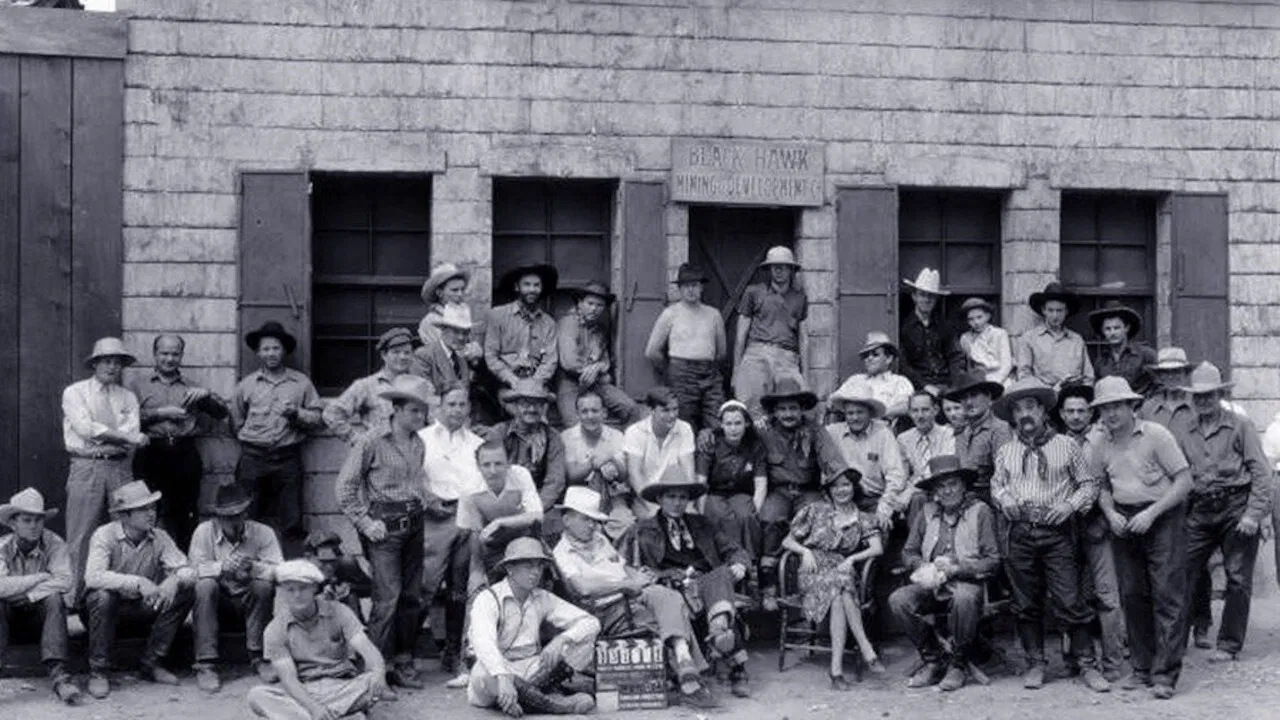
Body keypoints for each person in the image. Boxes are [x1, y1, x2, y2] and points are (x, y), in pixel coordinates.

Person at [989, 377, 1108, 692]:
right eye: (1018, 409)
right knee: (1026, 603)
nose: (1025, 414)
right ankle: (1035, 664)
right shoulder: (1006, 452)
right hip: (1020, 533)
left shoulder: (1066, 446)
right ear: (1013, 416)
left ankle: (1086, 664)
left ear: (1043, 411)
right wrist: (1005, 499)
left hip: (1057, 533)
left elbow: (1089, 484)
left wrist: (1069, 505)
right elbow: (996, 485)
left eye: (1031, 407)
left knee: (1069, 599)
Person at [552, 487, 718, 709]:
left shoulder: (600, 540)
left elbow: (622, 567)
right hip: (605, 608)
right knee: (660, 616)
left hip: (631, 596)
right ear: (567, 519)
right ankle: (687, 675)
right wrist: (626, 584)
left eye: (594, 520)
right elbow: (582, 589)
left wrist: (639, 576)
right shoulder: (561, 553)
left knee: (669, 596)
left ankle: (684, 661)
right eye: (586, 520)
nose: (592, 525)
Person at [1086, 377, 1193, 700]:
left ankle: (1165, 674)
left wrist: (1152, 513)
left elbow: (1184, 481)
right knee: (1133, 596)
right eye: (1105, 408)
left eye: (1118, 406)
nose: (1112, 413)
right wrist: (1110, 514)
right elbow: (1100, 485)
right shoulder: (1099, 443)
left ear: (1132, 406)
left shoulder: (1156, 435)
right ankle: (1142, 668)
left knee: (1167, 594)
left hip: (1162, 518)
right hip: (1124, 519)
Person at [335, 374, 434, 691]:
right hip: (384, 528)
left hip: (414, 525)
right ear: (398, 409)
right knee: (386, 599)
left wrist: (427, 502)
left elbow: (414, 485)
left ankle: (403, 663)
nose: (421, 417)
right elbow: (345, 489)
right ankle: (375, 670)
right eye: (415, 411)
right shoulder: (371, 441)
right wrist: (366, 522)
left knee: (410, 597)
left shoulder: (419, 443)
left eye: (423, 411)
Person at [630, 466, 754, 698]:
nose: (678, 503)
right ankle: (736, 665)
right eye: (671, 497)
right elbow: (635, 568)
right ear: (659, 499)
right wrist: (668, 576)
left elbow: (734, 550)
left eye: (683, 498)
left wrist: (739, 563)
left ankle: (719, 632)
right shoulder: (643, 529)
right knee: (713, 588)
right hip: (672, 584)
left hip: (708, 581)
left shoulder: (702, 523)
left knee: (720, 574)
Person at [1178, 362, 1271, 662]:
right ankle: (1176, 640)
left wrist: (1253, 514)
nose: (1203, 401)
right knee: (1183, 572)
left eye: (1209, 395)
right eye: (1198, 396)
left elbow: (1261, 471)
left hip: (1236, 505)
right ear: (1192, 398)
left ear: (1219, 395)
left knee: (1237, 578)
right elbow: (1180, 474)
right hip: (1201, 507)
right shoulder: (1186, 431)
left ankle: (1229, 644)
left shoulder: (1240, 425)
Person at [890, 455, 1001, 693]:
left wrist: (958, 568)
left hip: (968, 583)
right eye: (941, 486)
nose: (948, 491)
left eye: (953, 484)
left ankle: (958, 663)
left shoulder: (980, 512)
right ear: (934, 491)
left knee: (963, 598)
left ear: (963, 486)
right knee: (899, 600)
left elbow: (993, 560)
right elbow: (908, 551)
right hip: (932, 585)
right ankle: (935, 658)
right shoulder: (927, 512)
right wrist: (922, 567)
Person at [83, 481, 197, 699]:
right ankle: (99, 671)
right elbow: (93, 576)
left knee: (186, 589)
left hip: (141, 607)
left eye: (152, 508)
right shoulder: (104, 535)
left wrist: (174, 578)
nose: (150, 514)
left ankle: (152, 663)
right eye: (143, 509)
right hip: (105, 611)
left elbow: (188, 569)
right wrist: (137, 582)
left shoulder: (160, 537)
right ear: (124, 516)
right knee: (102, 596)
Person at [467, 537, 600, 716]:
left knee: (584, 644)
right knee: (483, 672)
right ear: (509, 569)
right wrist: (503, 675)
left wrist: (561, 639)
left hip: (532, 669)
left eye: (539, 566)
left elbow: (591, 622)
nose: (536, 572)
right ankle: (555, 704)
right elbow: (484, 643)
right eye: (528, 566)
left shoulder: (541, 597)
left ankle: (524, 698)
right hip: (497, 673)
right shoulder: (488, 598)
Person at [62, 337, 150, 604]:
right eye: (107, 361)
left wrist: (119, 437)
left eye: (118, 362)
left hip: (120, 468)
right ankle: (74, 599)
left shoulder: (127, 397)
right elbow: (85, 428)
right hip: (87, 465)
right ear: (95, 363)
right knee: (81, 533)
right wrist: (122, 437)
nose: (112, 367)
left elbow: (131, 431)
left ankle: (118, 596)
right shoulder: (75, 392)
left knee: (124, 529)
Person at [781, 468, 886, 688]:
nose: (841, 490)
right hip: (812, 571)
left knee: (839, 593)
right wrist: (805, 552)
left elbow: (877, 549)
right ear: (829, 490)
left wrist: (852, 559)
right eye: (836, 486)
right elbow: (787, 542)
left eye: (846, 485)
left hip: (840, 570)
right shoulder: (815, 510)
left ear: (853, 488)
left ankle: (836, 670)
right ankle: (865, 646)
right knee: (842, 584)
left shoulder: (863, 519)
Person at [248, 559, 390, 720]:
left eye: (303, 588)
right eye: (290, 590)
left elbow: (367, 649)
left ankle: (302, 716)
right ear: (281, 592)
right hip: (304, 689)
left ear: (314, 588)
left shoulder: (339, 611)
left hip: (343, 685)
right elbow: (289, 680)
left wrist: (379, 672)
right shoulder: (274, 630)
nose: (297, 595)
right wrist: (314, 708)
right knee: (257, 695)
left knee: (372, 681)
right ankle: (344, 714)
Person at [232, 321, 324, 554]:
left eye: (275, 348)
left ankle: (291, 568)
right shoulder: (246, 385)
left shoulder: (301, 383)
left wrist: (297, 414)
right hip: (253, 457)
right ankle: (248, 567)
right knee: (248, 514)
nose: (270, 353)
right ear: (258, 352)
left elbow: (318, 419)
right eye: (265, 349)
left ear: (284, 351)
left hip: (287, 457)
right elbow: (235, 422)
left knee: (291, 517)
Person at [130, 333, 229, 550]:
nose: (169, 358)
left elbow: (222, 413)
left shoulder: (192, 387)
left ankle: (187, 567)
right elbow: (125, 419)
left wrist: (206, 395)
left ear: (182, 356)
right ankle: (150, 565)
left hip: (184, 453)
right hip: (151, 453)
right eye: (164, 353)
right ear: (155, 355)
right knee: (148, 511)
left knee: (186, 512)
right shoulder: (138, 386)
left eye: (175, 354)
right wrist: (159, 413)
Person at [1055, 383, 1126, 680]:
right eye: (1069, 411)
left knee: (1108, 595)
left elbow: (1110, 482)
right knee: (1067, 595)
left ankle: (1112, 661)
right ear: (1061, 414)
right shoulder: (1055, 444)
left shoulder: (1104, 441)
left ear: (1091, 413)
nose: (1075, 417)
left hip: (1099, 526)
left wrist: (1105, 517)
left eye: (1081, 411)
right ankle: (1073, 658)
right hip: (1064, 530)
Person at [756, 378, 845, 610]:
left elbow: (832, 461)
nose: (788, 414)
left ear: (801, 409)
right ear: (774, 411)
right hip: (779, 492)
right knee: (770, 518)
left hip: (809, 491)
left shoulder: (815, 430)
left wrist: (844, 487)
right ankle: (768, 587)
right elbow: (734, 431)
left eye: (793, 408)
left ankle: (816, 585)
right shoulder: (763, 431)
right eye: (782, 409)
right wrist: (710, 433)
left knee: (820, 519)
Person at [187, 482, 283, 692]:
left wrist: (253, 568)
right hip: (217, 601)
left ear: (246, 514)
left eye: (238, 515)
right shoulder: (204, 532)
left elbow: (279, 571)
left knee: (263, 586)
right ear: (217, 517)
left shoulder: (263, 532)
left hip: (250, 600)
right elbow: (191, 572)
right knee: (205, 585)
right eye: (227, 516)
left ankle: (260, 657)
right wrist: (221, 568)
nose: (233, 521)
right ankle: (206, 664)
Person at [418, 382, 485, 678]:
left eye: (462, 404)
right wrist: (427, 500)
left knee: (460, 587)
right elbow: (413, 476)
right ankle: (402, 653)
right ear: (439, 407)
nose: (457, 410)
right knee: (425, 584)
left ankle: (454, 653)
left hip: (465, 514)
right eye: (452, 404)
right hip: (433, 515)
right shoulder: (421, 439)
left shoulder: (475, 443)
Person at [0, 488, 81, 705]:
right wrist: (40, 577)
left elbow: (65, 580)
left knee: (54, 598)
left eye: (38, 520)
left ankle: (60, 677)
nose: (34, 526)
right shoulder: (1, 547)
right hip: (7, 620)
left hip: (42, 620)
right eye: (27, 520)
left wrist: (29, 596)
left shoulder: (54, 543)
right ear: (13, 523)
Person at [645, 263, 728, 433]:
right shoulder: (671, 313)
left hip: (709, 374)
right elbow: (652, 351)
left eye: (695, 285)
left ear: (701, 287)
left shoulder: (713, 314)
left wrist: (707, 366)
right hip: (680, 374)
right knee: (684, 424)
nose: (691, 290)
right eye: (686, 286)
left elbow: (721, 352)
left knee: (716, 421)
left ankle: (711, 458)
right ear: (680, 289)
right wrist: (672, 370)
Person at [733, 246, 808, 418]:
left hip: (787, 357)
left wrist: (807, 377)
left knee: (790, 406)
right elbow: (740, 334)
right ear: (769, 269)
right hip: (756, 354)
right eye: (775, 266)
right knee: (753, 410)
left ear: (791, 269)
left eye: (784, 266)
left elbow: (803, 339)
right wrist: (736, 370)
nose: (779, 271)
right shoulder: (754, 292)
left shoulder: (799, 297)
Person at [825, 379, 910, 529]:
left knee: (875, 532)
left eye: (860, 412)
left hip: (873, 499)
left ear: (870, 413)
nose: (855, 417)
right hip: (840, 498)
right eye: (850, 413)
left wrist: (884, 510)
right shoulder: (833, 432)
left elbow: (896, 475)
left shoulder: (883, 434)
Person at [459, 441, 545, 589]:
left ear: (509, 463)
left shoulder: (521, 475)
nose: (493, 470)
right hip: (491, 547)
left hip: (524, 540)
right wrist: (477, 570)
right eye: (486, 465)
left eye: (498, 464)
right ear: (478, 466)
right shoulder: (469, 489)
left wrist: (500, 522)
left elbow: (537, 516)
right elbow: (474, 532)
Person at [556, 280, 640, 426]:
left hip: (595, 381)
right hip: (569, 383)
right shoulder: (568, 323)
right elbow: (569, 363)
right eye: (590, 304)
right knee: (574, 423)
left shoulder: (599, 330)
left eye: (599, 305)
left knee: (631, 409)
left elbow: (605, 361)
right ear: (580, 303)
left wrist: (599, 367)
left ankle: (624, 445)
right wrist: (596, 370)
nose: (594, 309)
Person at [324, 327, 426, 444]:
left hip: (412, 454)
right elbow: (331, 413)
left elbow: (431, 421)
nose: (402, 357)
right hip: (378, 456)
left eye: (407, 352)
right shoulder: (366, 385)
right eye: (396, 352)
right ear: (384, 355)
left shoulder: (420, 384)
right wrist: (358, 441)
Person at [696, 400, 767, 567]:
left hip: (741, 493)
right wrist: (699, 513)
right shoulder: (711, 444)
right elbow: (701, 482)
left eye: (738, 423)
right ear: (721, 424)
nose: (733, 428)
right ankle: (723, 563)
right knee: (720, 515)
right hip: (714, 493)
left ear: (746, 424)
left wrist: (755, 511)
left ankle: (749, 564)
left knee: (745, 515)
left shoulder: (755, 445)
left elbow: (761, 483)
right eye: (728, 423)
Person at [486, 380, 567, 516]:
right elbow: (490, 473)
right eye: (525, 404)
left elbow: (555, 481)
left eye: (537, 404)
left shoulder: (552, 437)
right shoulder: (499, 433)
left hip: (539, 503)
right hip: (503, 501)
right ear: (516, 406)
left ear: (543, 408)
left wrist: (534, 509)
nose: (531, 409)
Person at [558, 391, 629, 541]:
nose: (590, 416)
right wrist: (593, 464)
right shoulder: (567, 437)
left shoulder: (616, 436)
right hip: (580, 498)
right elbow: (571, 476)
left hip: (612, 496)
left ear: (604, 413)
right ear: (577, 414)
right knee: (583, 529)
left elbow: (623, 475)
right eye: (584, 411)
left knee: (626, 524)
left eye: (595, 411)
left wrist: (611, 458)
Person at [484, 263, 559, 393]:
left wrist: (536, 383)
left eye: (536, 285)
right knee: (518, 409)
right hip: (506, 383)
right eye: (527, 284)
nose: (532, 289)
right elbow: (491, 356)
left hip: (537, 383)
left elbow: (550, 360)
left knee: (537, 408)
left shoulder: (548, 323)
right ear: (517, 287)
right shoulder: (497, 315)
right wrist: (513, 380)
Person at [624, 386, 697, 519]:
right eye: (665, 410)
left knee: (694, 522)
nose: (672, 415)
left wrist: (688, 504)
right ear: (650, 410)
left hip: (677, 496)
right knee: (654, 523)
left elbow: (688, 473)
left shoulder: (685, 429)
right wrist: (652, 506)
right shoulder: (634, 432)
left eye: (675, 409)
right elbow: (635, 474)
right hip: (646, 498)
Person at [946, 372, 1012, 505]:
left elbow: (1005, 477)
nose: (969, 402)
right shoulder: (961, 432)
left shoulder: (999, 429)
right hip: (962, 497)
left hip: (989, 500)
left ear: (988, 397)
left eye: (974, 395)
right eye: (964, 398)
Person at [1015, 282, 1094, 389]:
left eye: (1059, 310)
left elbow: (1088, 377)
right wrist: (1049, 391)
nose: (1055, 316)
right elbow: (1024, 375)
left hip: (1072, 396)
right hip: (1043, 397)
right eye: (1051, 310)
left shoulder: (1077, 340)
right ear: (1044, 310)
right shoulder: (1029, 338)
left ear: (1066, 311)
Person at [899, 268, 964, 389]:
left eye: (931, 296)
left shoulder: (944, 325)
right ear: (914, 297)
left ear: (936, 300)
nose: (927, 300)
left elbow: (955, 356)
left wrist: (955, 386)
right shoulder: (904, 327)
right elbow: (903, 364)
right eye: (922, 295)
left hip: (946, 382)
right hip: (918, 386)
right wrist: (924, 385)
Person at [834, 331, 914, 422]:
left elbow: (905, 406)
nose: (869, 358)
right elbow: (833, 402)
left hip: (884, 430)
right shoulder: (855, 380)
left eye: (875, 354)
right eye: (866, 356)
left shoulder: (899, 382)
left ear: (889, 359)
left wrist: (877, 414)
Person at [897, 390, 957, 506]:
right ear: (909, 413)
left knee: (918, 499)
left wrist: (910, 491)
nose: (920, 416)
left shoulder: (948, 435)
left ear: (935, 410)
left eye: (925, 410)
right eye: (915, 411)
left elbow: (941, 470)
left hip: (942, 485)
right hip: (915, 488)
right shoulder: (903, 438)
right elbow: (901, 474)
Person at [418, 262, 483, 365]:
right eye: (454, 290)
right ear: (439, 293)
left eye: (462, 289)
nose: (460, 294)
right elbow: (444, 354)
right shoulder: (431, 321)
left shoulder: (463, 315)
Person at [1089, 301, 1157, 397]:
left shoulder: (1146, 355)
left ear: (1126, 328)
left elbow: (1160, 384)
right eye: (1108, 329)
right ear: (1103, 332)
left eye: (1117, 328)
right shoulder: (1101, 362)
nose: (1112, 333)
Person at [302, 530, 370, 622]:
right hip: (314, 621)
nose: (329, 567)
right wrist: (320, 596)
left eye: (332, 561)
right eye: (323, 561)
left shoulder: (347, 563)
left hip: (346, 617)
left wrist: (349, 587)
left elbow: (370, 589)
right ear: (309, 557)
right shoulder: (303, 571)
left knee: (350, 596)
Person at [958, 297, 1012, 385]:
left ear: (988, 316)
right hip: (977, 379)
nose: (976, 322)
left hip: (999, 377)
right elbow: (966, 364)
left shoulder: (999, 334)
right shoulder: (965, 338)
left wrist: (996, 381)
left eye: (979, 317)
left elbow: (1006, 364)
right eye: (971, 319)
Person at [1141, 347, 1196, 429]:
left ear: (1185, 373)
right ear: (1159, 376)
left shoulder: (1198, 404)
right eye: (1165, 372)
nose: (1171, 377)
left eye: (1176, 371)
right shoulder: (1148, 408)